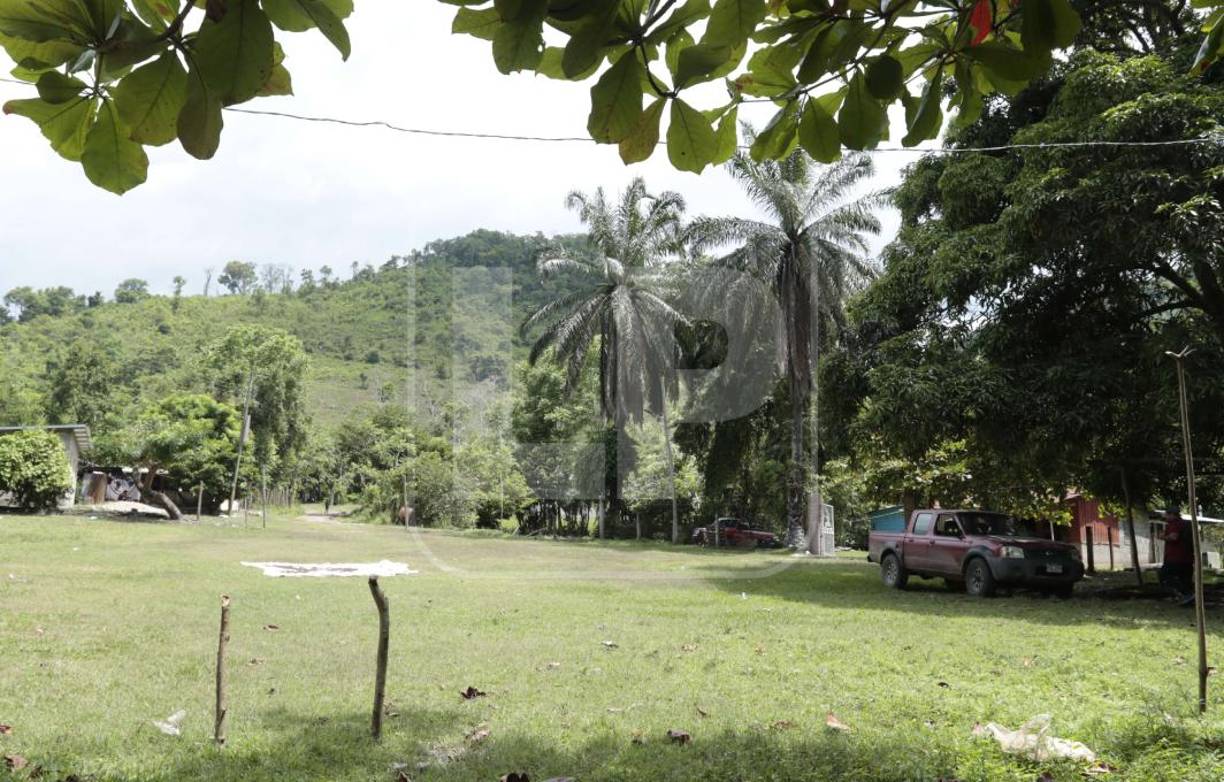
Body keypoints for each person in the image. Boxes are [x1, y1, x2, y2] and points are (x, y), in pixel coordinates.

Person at [1159, 507, 1196, 604]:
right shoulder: (1186, 524)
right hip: (1187, 557)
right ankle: (1189, 598)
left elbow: (1174, 537)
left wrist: (1163, 537)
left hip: (1175, 557)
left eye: (1167, 514)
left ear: (1172, 515)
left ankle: (1185, 594)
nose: (1165, 517)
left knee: (1164, 576)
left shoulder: (1175, 524)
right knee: (1185, 578)